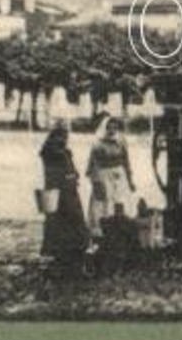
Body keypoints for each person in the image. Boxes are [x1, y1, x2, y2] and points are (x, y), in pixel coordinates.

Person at [38, 121, 90, 277]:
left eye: (65, 136)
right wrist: (69, 176)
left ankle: (71, 258)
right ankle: (62, 259)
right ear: (54, 136)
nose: (64, 139)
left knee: (72, 223)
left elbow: (72, 171)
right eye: (60, 136)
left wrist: (73, 175)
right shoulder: (51, 152)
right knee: (62, 223)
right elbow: (58, 173)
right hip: (59, 193)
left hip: (69, 192)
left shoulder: (65, 152)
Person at [86, 115, 135, 237]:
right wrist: (95, 180)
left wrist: (130, 180)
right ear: (104, 128)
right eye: (109, 127)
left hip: (119, 174)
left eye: (115, 127)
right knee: (103, 201)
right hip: (103, 174)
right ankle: (101, 229)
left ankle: (120, 228)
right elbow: (92, 162)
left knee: (119, 200)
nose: (112, 130)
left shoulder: (121, 141)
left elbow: (126, 160)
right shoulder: (97, 143)